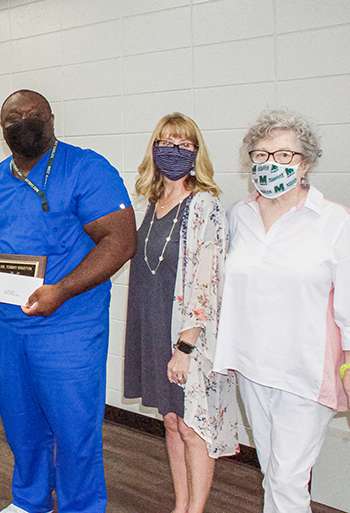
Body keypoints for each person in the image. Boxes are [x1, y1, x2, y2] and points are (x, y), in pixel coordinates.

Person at [0, 90, 137, 513]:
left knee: (74, 428)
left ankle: (82, 506)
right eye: (12, 117)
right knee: (21, 425)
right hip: (10, 328)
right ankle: (30, 500)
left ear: (52, 118)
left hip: (68, 326)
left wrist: (60, 291)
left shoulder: (86, 168)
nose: (23, 122)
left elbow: (121, 240)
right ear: (1, 128)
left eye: (32, 114)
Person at [214, 109, 350, 513]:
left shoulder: (333, 221)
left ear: (305, 162)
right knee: (273, 474)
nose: (272, 163)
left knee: (289, 481)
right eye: (262, 154)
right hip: (254, 365)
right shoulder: (241, 215)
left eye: (285, 155)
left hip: (305, 371)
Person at [124, 113, 238, 513]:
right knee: (171, 421)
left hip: (188, 336)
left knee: (192, 427)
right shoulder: (151, 201)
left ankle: (196, 509)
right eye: (166, 142)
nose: (174, 150)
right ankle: (181, 504)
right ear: (154, 148)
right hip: (154, 327)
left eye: (184, 144)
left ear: (196, 152)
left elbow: (208, 279)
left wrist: (185, 347)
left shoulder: (204, 204)